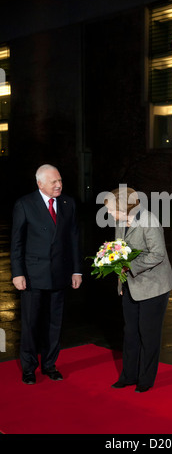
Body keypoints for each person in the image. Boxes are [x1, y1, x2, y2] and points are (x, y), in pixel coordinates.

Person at [10, 164, 82, 384]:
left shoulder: (68, 203)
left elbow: (74, 239)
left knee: (55, 323)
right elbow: (17, 243)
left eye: (59, 180)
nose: (59, 185)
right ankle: (29, 368)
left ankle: (50, 365)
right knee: (31, 323)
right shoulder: (24, 204)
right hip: (33, 275)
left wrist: (77, 270)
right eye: (53, 182)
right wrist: (18, 273)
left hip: (60, 273)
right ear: (40, 183)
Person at [104, 187, 172, 393]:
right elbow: (118, 252)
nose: (108, 213)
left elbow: (157, 254)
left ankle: (146, 379)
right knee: (130, 333)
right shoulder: (120, 222)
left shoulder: (149, 221)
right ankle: (128, 376)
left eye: (111, 209)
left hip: (154, 286)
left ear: (124, 207)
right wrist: (121, 282)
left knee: (148, 333)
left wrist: (130, 268)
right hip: (130, 285)